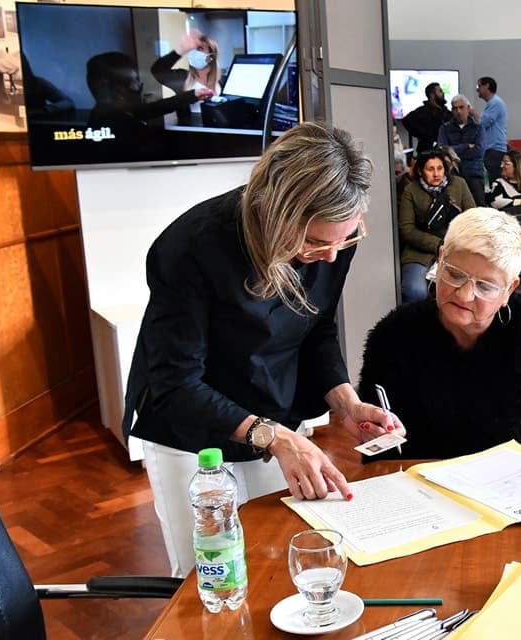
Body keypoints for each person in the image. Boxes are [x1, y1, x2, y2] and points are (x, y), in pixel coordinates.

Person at [122, 122, 405, 577]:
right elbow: (175, 383)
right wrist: (277, 438)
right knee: (211, 573)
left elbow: (316, 329)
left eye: (345, 239)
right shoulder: (191, 246)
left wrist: (345, 403)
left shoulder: (333, 242)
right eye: (316, 242)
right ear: (274, 213)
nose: (332, 256)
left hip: (272, 406)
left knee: (278, 559)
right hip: (189, 430)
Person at [357, 208, 521, 459]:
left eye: (485, 286)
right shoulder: (393, 335)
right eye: (455, 274)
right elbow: (378, 445)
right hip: (425, 487)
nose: (464, 294)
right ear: (440, 259)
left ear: (509, 290)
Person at [399, 149, 475, 302]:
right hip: (420, 251)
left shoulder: (459, 184)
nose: (436, 174)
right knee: (415, 291)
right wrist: (438, 244)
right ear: (420, 171)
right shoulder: (411, 190)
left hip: (457, 247)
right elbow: (407, 229)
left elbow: (473, 218)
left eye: (440, 168)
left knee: (463, 290)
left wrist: (454, 243)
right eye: (430, 169)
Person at [150, 27, 221, 122]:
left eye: (200, 49)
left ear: (211, 56)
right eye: (193, 49)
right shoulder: (182, 78)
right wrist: (180, 51)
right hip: (190, 130)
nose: (194, 52)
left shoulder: (222, 82)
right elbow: (157, 70)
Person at [438, 94, 485, 206]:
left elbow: (478, 151)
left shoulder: (478, 128)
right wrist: (466, 146)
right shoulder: (444, 128)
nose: (458, 111)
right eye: (455, 108)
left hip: (473, 173)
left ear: (468, 109)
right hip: (452, 174)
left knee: (478, 207)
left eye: (461, 107)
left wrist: (453, 152)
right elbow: (443, 150)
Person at [402, 81, 451, 155]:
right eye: (440, 91)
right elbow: (406, 121)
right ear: (432, 95)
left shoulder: (447, 113)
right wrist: (423, 133)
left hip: (444, 152)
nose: (443, 93)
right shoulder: (421, 111)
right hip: (426, 152)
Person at [474, 76, 508, 181]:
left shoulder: (495, 103)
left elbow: (483, 123)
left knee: (492, 181)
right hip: (491, 149)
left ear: (487, 86)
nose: (477, 90)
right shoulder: (493, 103)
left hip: (494, 149)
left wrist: (472, 113)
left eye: (479, 86)